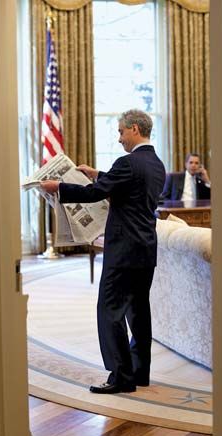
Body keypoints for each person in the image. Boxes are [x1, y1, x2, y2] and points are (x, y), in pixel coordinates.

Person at [41, 109, 166, 394]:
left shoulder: (128, 161)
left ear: (134, 129)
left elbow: (95, 193)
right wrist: (98, 174)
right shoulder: (156, 164)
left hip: (123, 250)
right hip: (145, 249)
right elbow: (127, 186)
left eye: (121, 132)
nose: (119, 138)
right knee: (138, 311)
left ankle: (120, 377)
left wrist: (58, 187)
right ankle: (139, 372)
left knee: (109, 310)